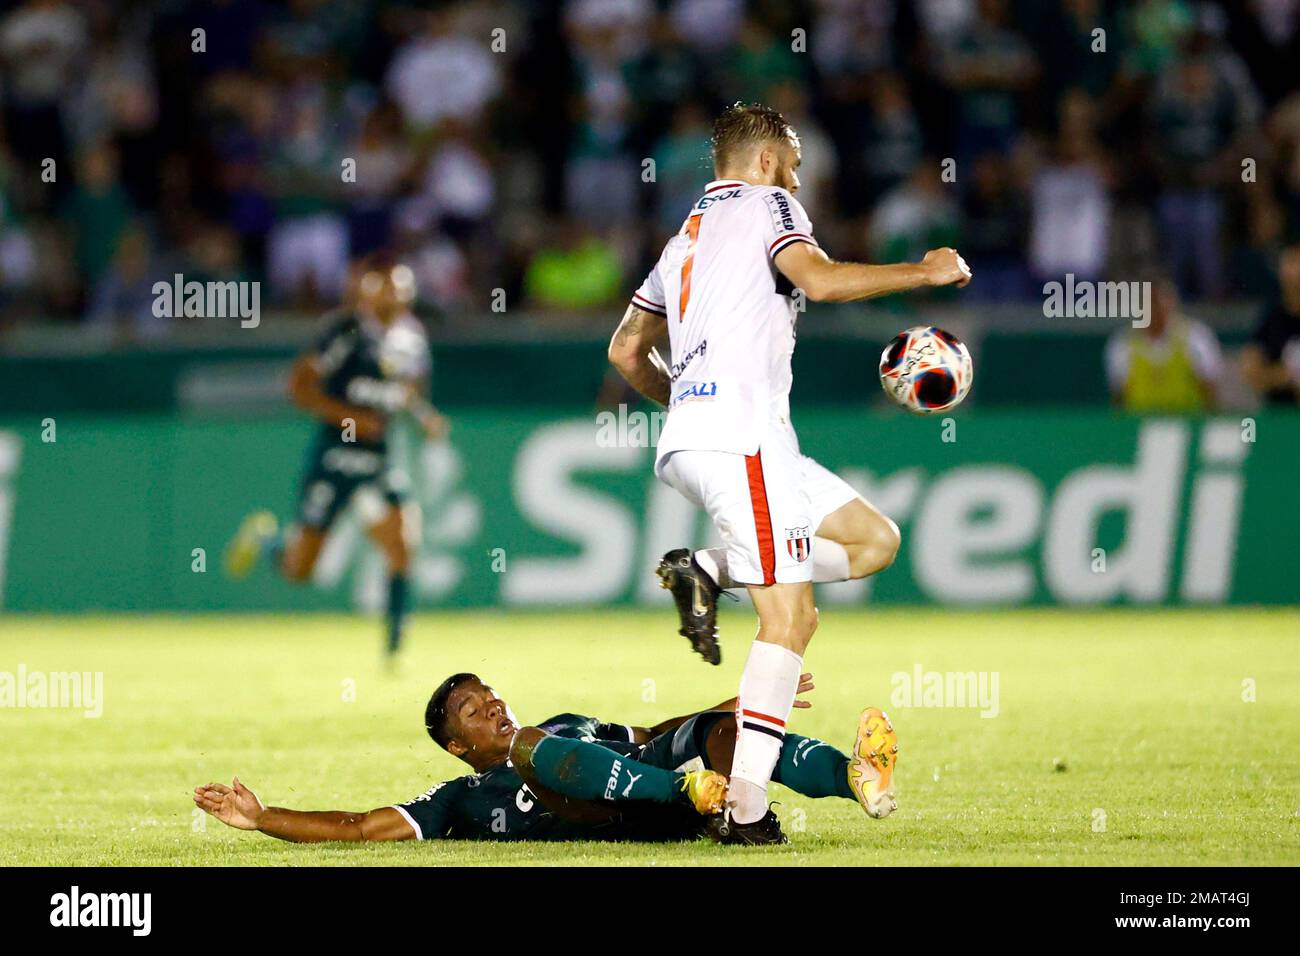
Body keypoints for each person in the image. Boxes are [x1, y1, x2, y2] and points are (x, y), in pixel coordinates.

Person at [606, 102, 968, 843]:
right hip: (741, 442)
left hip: (721, 438)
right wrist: (923, 272)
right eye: (796, 165)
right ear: (769, 161)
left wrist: (690, 402)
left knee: (873, 541)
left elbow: (623, 351)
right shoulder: (770, 203)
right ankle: (744, 815)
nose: (801, 180)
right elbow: (822, 281)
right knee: (791, 619)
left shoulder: (684, 237)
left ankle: (705, 568)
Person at [193, 672, 898, 847]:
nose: (493, 707)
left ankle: (854, 777)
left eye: (490, 695)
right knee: (538, 748)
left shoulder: (566, 725)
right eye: (474, 710)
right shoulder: (457, 799)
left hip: (668, 790)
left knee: (720, 726)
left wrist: (741, 700)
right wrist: (263, 819)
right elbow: (355, 826)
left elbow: (655, 729)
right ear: (457, 746)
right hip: (623, 818)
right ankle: (699, 799)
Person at [223, 254, 448, 659]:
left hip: (378, 460)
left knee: (403, 544)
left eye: (399, 285)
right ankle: (269, 541)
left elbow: (408, 393)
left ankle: (395, 647)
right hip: (334, 458)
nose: (393, 293)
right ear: (366, 289)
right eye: (384, 284)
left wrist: (424, 418)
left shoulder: (413, 337)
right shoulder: (344, 331)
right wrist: (352, 417)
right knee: (300, 570)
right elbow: (299, 387)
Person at [1104, 273, 1223, 412]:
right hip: (1138, 428)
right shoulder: (1122, 344)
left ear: (1171, 302)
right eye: (1146, 302)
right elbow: (1118, 399)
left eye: (1156, 301)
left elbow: (1210, 392)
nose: (1152, 309)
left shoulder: (1196, 338)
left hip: (1186, 426)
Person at [1242, 243, 1300, 405]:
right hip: (1279, 418)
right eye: (1288, 264)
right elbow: (1249, 371)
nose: (1293, 273)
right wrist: (1285, 376)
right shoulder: (1272, 318)